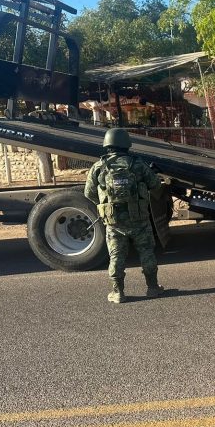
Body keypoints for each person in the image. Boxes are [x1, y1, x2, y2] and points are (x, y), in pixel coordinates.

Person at [84, 128, 165, 303]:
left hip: (114, 222)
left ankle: (118, 292)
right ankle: (152, 288)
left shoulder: (99, 167)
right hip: (139, 219)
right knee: (147, 252)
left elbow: (89, 193)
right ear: (126, 144)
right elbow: (156, 185)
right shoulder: (138, 164)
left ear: (107, 144)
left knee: (116, 256)